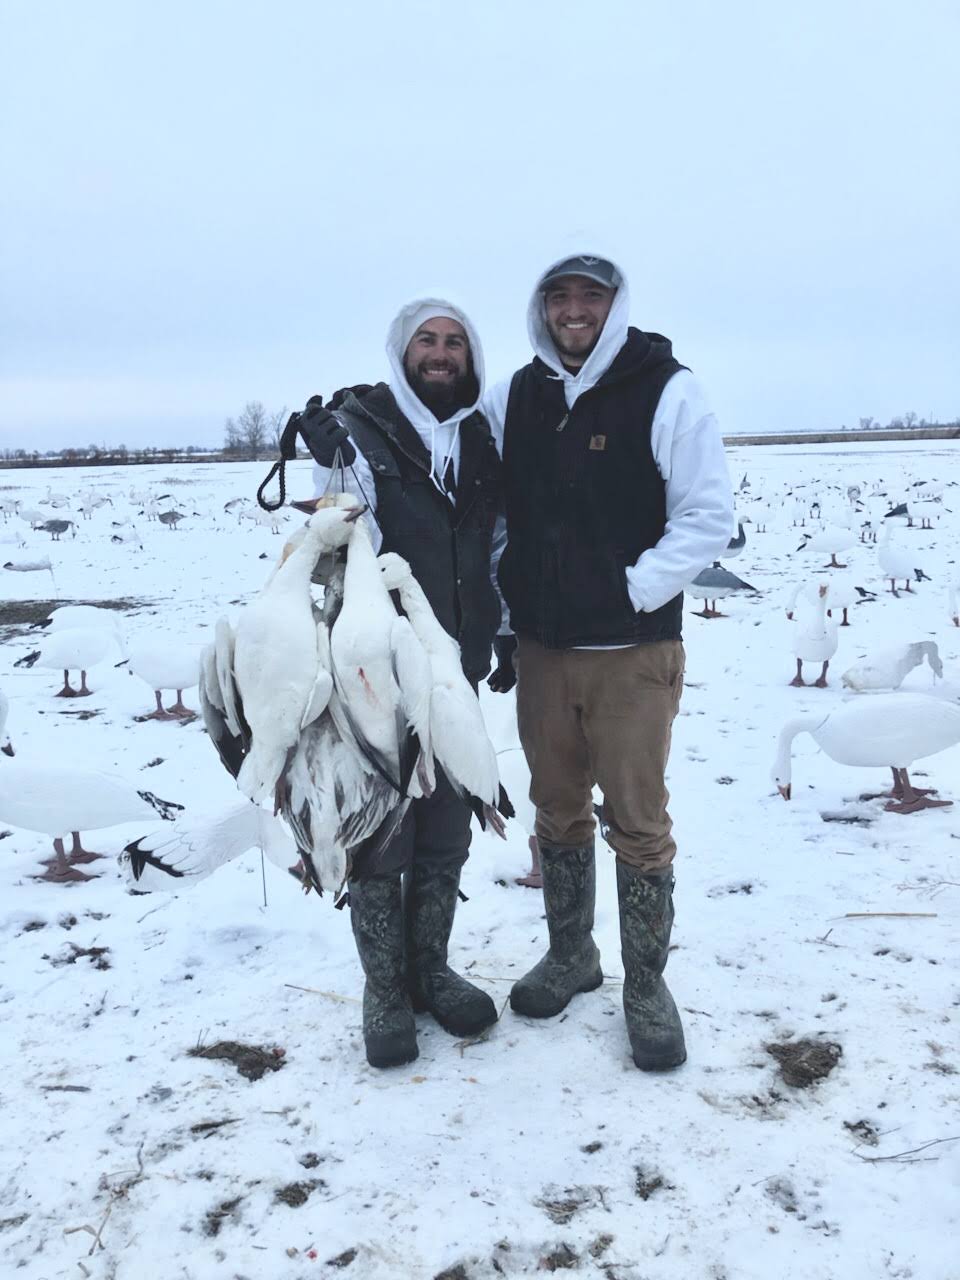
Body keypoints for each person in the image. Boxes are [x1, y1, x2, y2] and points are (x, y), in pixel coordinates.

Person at [484, 254, 734, 1071]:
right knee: (556, 808)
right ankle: (570, 955)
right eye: (558, 296)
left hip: (632, 650)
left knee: (638, 817)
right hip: (543, 650)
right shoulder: (516, 396)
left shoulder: (668, 388)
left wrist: (634, 590)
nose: (572, 309)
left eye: (589, 295)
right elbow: (455, 460)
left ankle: (647, 986)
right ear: (541, 308)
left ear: (614, 304)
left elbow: (705, 516)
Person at [294, 299, 503, 1070]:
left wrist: (502, 634)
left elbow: (497, 541)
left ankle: (431, 970)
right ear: (402, 350)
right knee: (381, 829)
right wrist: (326, 460)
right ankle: (385, 989)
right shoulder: (358, 429)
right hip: (375, 670)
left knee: (449, 822)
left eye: (454, 342)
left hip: (454, 666)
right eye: (427, 340)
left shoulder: (482, 436)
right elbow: (338, 529)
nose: (441, 353)